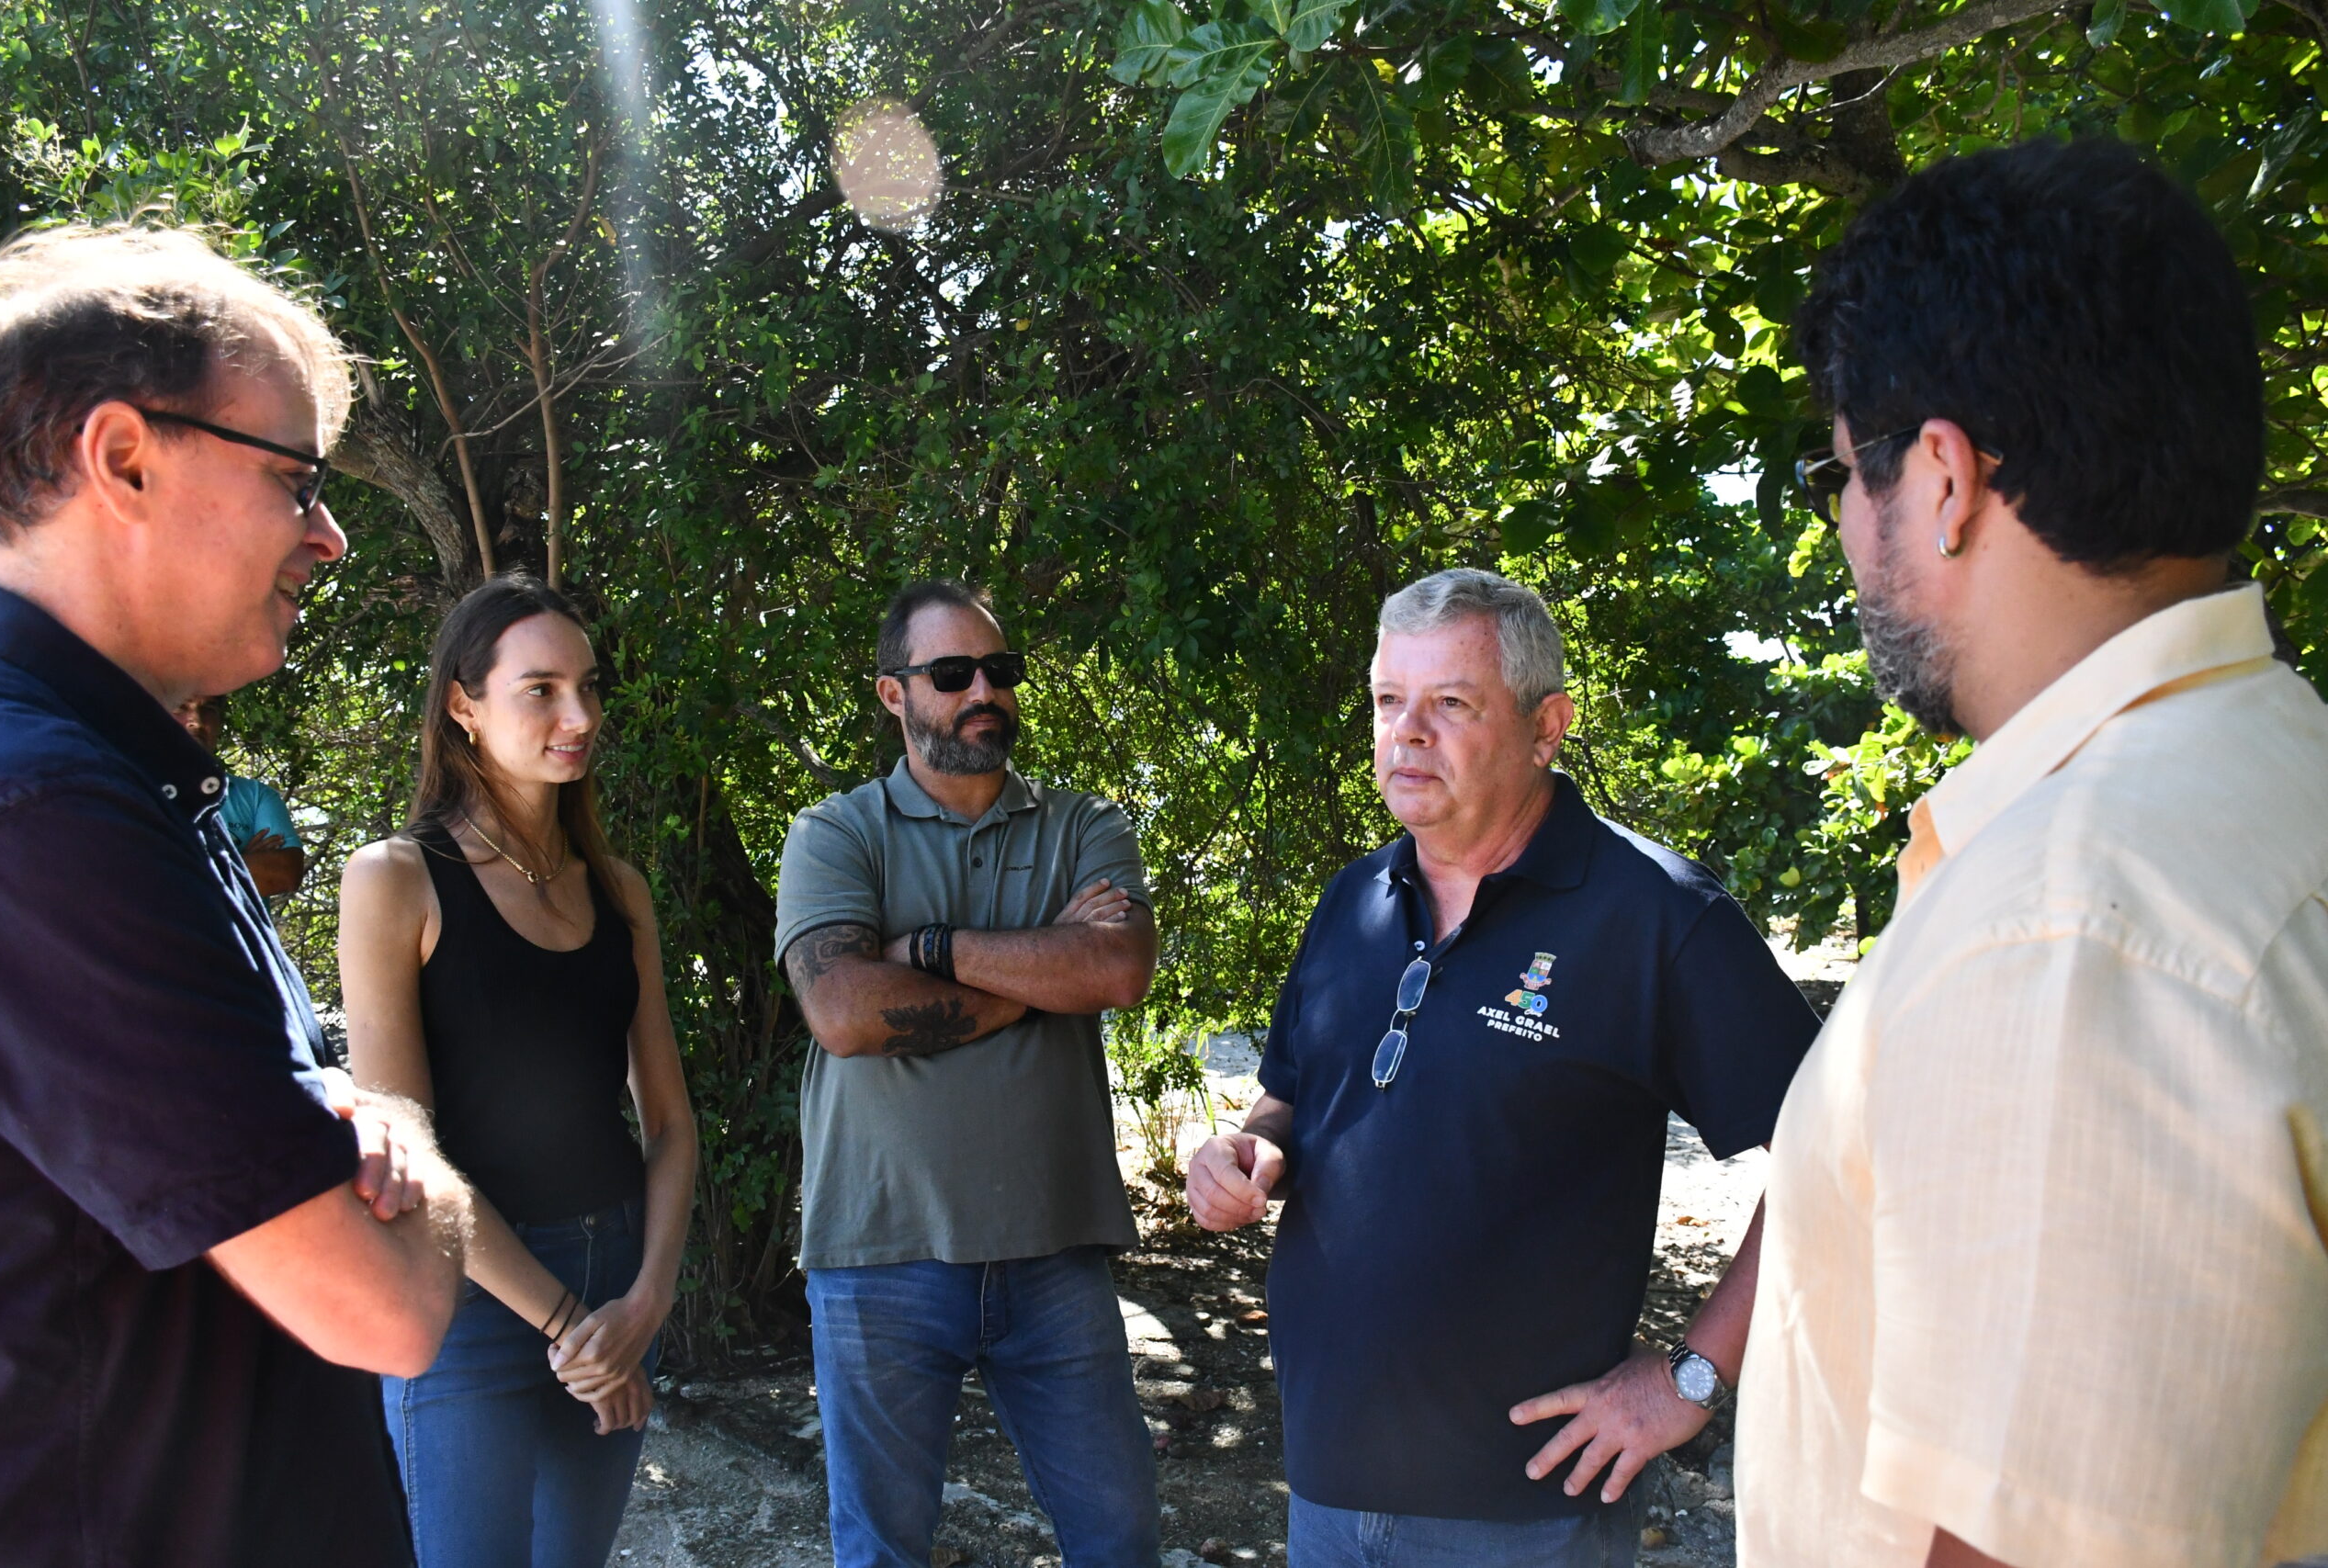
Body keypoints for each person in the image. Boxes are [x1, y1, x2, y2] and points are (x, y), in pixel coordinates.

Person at [1736, 139, 2328, 1568]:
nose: (1842, 529)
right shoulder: (2276, 772)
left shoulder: (2070, 928)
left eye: (1841, 473)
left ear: (1940, 477)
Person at [0, 220, 470, 1567]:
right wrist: (399, 1123)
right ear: (124, 457)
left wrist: (343, 1116)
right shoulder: (37, 814)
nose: (330, 536)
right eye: (297, 478)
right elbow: (382, 1305)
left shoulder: (115, 775)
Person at [1189, 568, 1821, 1568]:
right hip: (1324, 1485)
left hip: (1526, 1515)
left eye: (1451, 703)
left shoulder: (1656, 915)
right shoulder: (1352, 901)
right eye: (1389, 701)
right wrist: (1248, 1151)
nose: (1407, 732)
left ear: (1546, 724)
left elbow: (1839, 1153)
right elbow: (1295, 1093)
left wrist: (1694, 1378)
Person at [774, 579, 1161, 1568]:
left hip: (1056, 1248)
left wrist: (927, 947)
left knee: (1118, 1543)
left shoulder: (1083, 825)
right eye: (952, 674)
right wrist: (1041, 971)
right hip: (880, 1254)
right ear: (894, 695)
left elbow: (1114, 968)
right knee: (882, 1551)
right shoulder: (837, 833)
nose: (982, 689)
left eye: (1000, 670)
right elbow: (845, 1013)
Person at [338, 571, 699, 1568]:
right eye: (540, 689)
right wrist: (569, 1323)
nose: (578, 716)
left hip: (621, 1275)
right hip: (467, 1304)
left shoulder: (618, 887)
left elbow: (667, 1119)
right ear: (463, 703)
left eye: (586, 687)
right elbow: (407, 1151)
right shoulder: (392, 880)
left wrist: (645, 1304)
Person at [175, 691, 308, 895]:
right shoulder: (132, 788)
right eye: (181, 707)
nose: (197, 721)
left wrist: (178, 867)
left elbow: (283, 875)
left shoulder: (256, 796)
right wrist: (237, 859)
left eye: (208, 709)